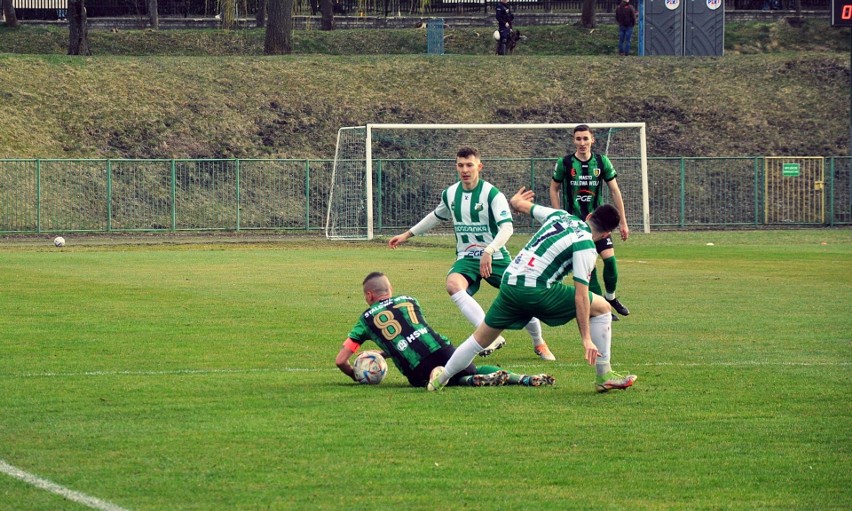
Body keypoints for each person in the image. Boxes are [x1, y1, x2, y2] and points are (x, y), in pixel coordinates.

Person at [427, 188, 637, 394]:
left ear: (589, 215)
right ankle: (604, 375)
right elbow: (581, 295)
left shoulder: (560, 215)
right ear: (607, 234)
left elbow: (521, 205)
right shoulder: (586, 246)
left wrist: (516, 201)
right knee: (601, 306)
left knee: (480, 339)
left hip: (510, 282)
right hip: (535, 289)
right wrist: (586, 338)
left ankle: (441, 378)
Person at [388, 146, 556, 361]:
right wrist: (407, 234)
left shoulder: (492, 194)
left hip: (495, 257)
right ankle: (491, 336)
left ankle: (539, 342)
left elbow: (507, 228)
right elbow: (435, 216)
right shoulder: (450, 194)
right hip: (466, 258)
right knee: (453, 285)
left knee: (522, 296)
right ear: (456, 167)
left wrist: (489, 250)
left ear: (479, 166)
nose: (465, 169)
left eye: (469, 165)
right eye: (460, 165)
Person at [335, 272, 555, 388]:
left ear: (368, 296)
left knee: (441, 378)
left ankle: (462, 381)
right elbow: (411, 333)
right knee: (468, 368)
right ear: (390, 290)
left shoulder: (365, 320)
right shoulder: (410, 300)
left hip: (417, 369)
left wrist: (358, 375)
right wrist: (383, 353)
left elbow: (340, 360)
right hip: (442, 350)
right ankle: (521, 379)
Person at [549, 124, 630, 321]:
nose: (582, 143)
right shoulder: (565, 163)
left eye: (586, 138)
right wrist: (559, 215)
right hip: (576, 225)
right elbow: (554, 189)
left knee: (610, 260)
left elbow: (615, 191)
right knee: (589, 267)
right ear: (574, 140)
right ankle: (600, 307)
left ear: (592, 139)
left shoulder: (602, 162)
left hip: (599, 223)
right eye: (578, 139)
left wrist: (623, 222)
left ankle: (610, 298)